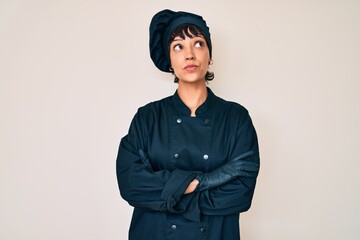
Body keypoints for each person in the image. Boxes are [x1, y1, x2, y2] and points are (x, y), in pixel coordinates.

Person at [116, 9, 260, 240]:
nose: (190, 54)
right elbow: (131, 183)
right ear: (169, 61)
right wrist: (207, 180)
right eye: (178, 46)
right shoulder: (148, 117)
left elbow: (241, 192)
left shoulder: (236, 118)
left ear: (209, 55)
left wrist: (169, 191)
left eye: (198, 44)